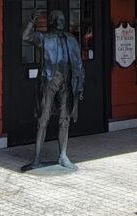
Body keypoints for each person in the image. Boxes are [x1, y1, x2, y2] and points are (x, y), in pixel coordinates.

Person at [22, 9, 84, 170]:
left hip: (67, 82)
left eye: (62, 18)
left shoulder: (71, 39)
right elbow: (26, 37)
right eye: (57, 19)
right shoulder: (44, 37)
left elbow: (78, 63)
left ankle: (63, 156)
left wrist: (80, 85)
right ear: (51, 21)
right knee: (43, 118)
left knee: (65, 119)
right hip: (49, 81)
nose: (60, 21)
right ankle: (36, 158)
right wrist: (31, 22)